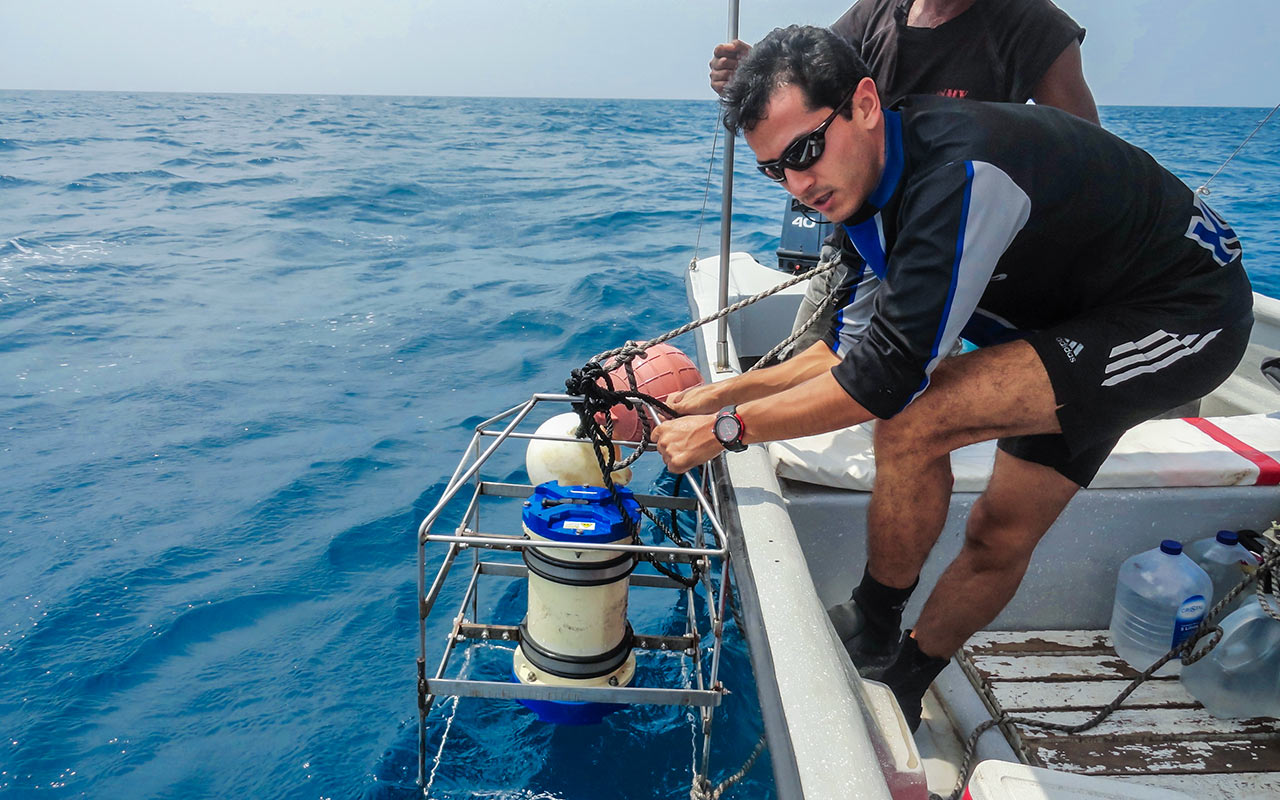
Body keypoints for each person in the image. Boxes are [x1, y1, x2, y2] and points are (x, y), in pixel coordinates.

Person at [655, 25, 1253, 730]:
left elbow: (885, 379)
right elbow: (846, 351)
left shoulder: (958, 172)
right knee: (998, 530)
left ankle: (885, 639)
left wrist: (727, 431)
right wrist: (725, 391)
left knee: (914, 421)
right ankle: (897, 661)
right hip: (1065, 324)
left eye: (806, 151)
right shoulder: (860, 194)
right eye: (773, 170)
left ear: (866, 104)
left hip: (1183, 316)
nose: (798, 184)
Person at [710, 0, 1099, 358]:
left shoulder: (1035, 25)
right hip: (864, 243)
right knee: (808, 369)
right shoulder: (875, 12)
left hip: (955, 253)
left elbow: (1086, 158)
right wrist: (758, 76)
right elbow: (808, 72)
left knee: (919, 396)